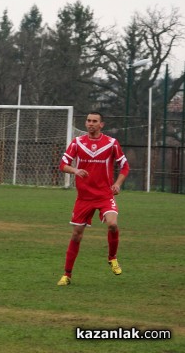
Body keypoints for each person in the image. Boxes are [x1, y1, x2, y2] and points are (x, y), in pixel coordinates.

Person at [57, 112, 130, 286]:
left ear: (101, 124)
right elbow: (62, 165)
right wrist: (75, 170)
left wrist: (118, 184)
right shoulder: (77, 143)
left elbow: (125, 166)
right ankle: (67, 275)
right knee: (76, 235)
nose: (91, 124)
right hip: (84, 198)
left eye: (94, 121)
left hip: (104, 195)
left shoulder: (111, 143)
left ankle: (112, 257)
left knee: (113, 224)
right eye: (88, 121)